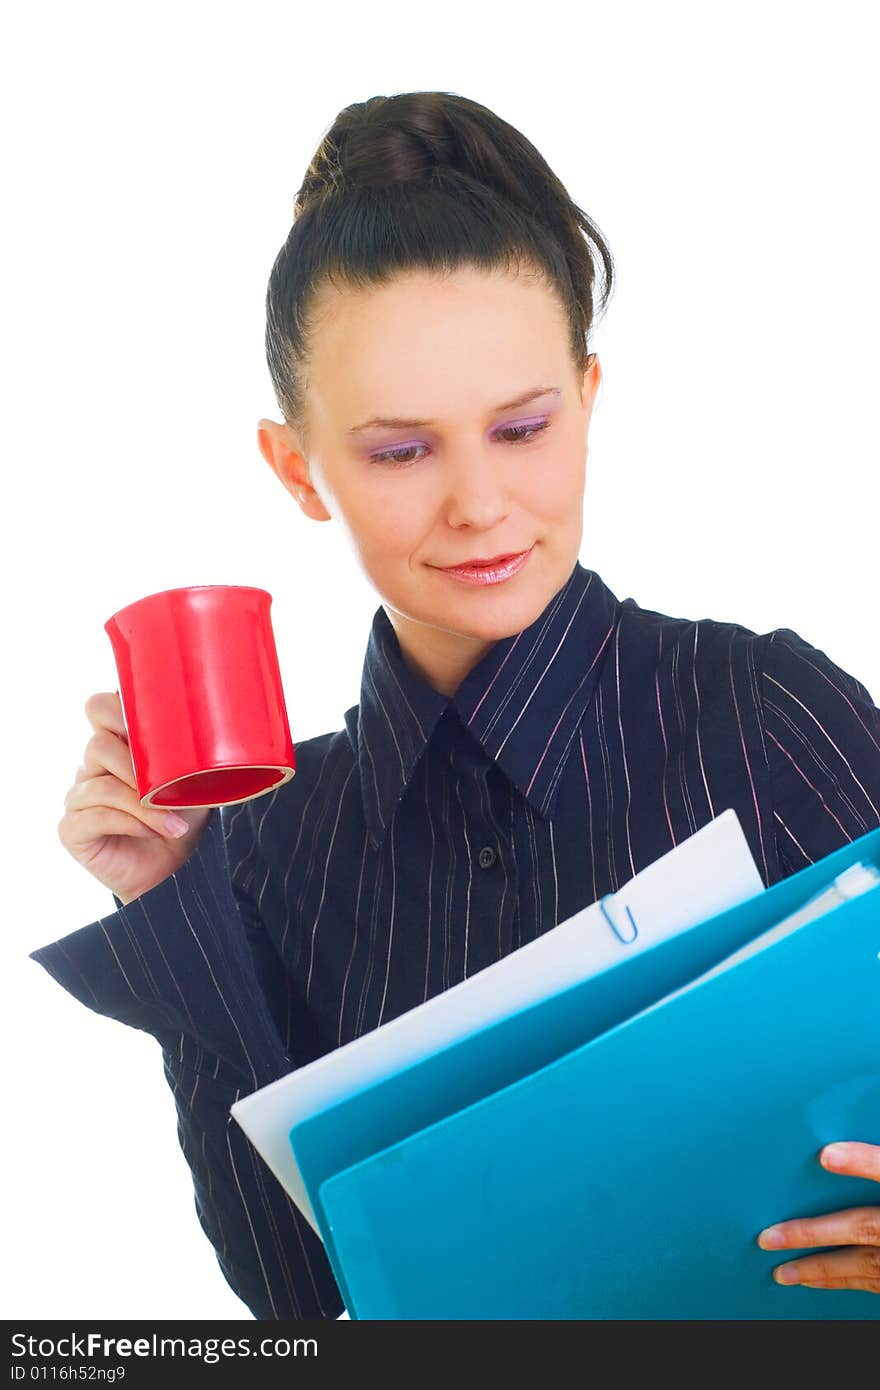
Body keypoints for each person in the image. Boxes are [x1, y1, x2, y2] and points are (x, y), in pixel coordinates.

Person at [31, 90, 880, 1319]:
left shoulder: (761, 711)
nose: (479, 503)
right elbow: (300, 1311)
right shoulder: (259, 843)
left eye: (522, 427)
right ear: (297, 469)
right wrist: (174, 900)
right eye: (399, 451)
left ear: (588, 402)